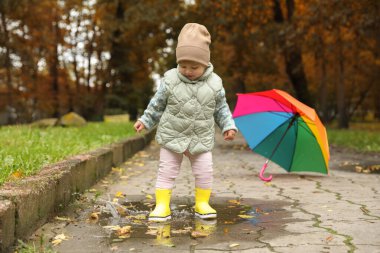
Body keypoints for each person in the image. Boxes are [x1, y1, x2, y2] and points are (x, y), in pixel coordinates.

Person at [134, 23, 237, 222]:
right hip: (172, 134)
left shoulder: (215, 83)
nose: (188, 71)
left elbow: (221, 109)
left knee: (204, 171)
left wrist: (228, 126)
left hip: (201, 137)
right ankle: (162, 205)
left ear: (206, 63)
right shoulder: (170, 80)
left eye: (194, 67)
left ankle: (202, 203)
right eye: (183, 66)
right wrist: (145, 120)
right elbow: (157, 104)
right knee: (167, 170)